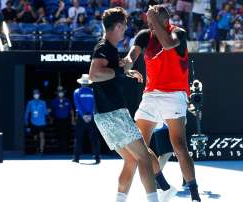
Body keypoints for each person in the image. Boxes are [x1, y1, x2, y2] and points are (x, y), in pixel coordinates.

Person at [121, 5, 202, 202]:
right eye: (148, 23)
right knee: (138, 146)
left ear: (163, 21)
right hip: (150, 95)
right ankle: (164, 186)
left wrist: (155, 22)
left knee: (179, 145)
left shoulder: (178, 33)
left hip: (175, 95)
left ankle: (194, 195)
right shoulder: (144, 35)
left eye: (152, 22)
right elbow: (132, 54)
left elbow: (167, 44)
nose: (149, 25)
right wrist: (127, 64)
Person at [88, 7, 159, 202]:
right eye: (124, 26)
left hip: (105, 115)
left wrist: (124, 71)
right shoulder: (103, 48)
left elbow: (110, 71)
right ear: (118, 26)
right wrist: (120, 72)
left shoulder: (108, 49)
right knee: (144, 157)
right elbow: (94, 75)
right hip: (113, 113)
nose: (125, 30)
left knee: (131, 160)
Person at [72, 74, 100, 164]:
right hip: (88, 116)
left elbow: (78, 105)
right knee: (91, 138)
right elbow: (93, 105)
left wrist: (84, 115)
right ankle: (96, 157)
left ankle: (77, 158)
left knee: (82, 137)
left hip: (83, 117)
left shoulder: (78, 91)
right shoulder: (91, 91)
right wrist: (89, 115)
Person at [51, 86, 75, 153]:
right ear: (57, 93)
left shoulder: (67, 100)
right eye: (59, 92)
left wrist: (73, 119)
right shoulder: (54, 101)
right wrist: (51, 118)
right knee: (59, 134)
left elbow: (71, 110)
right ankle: (60, 148)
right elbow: (51, 111)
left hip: (66, 120)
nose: (60, 93)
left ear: (63, 93)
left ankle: (66, 148)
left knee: (67, 133)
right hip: (57, 120)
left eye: (61, 92)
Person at [25, 89, 48, 154]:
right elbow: (27, 113)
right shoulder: (30, 102)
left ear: (39, 94)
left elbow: (46, 113)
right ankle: (37, 148)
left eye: (37, 94)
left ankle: (42, 150)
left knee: (42, 136)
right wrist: (26, 123)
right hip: (33, 122)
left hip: (42, 122)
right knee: (35, 137)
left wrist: (48, 112)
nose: (36, 95)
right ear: (33, 95)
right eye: (35, 94)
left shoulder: (43, 102)